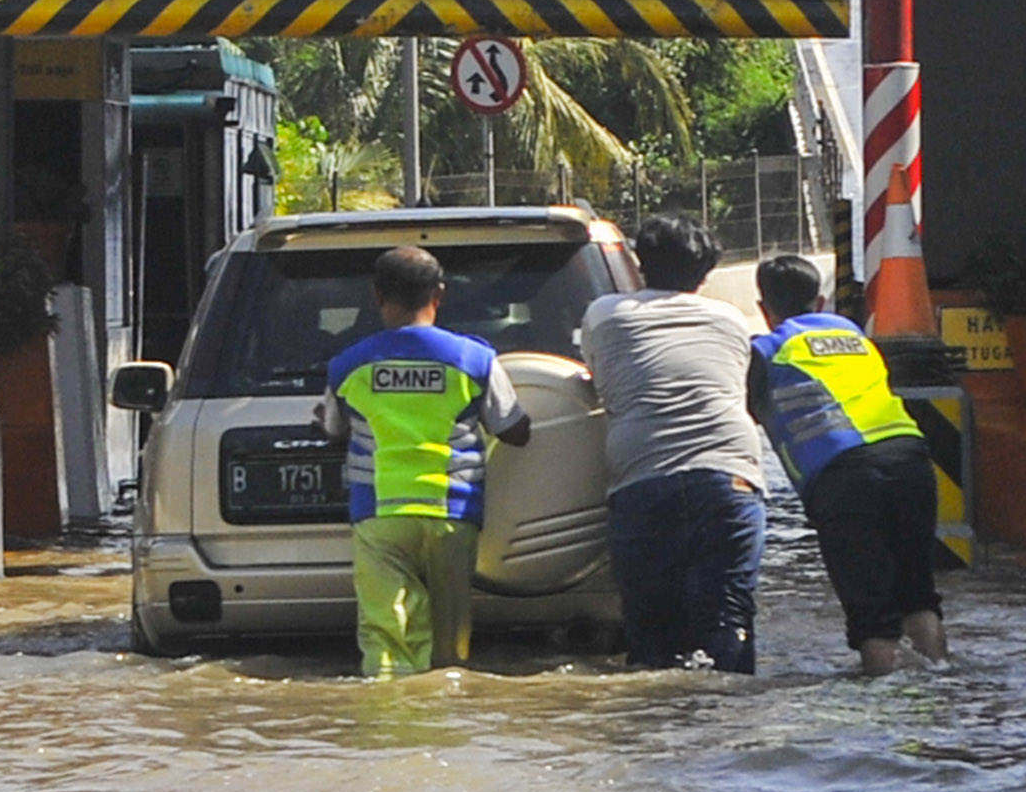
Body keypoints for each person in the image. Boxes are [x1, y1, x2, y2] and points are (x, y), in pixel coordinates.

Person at [315, 244, 531, 680]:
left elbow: (333, 429)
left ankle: (389, 705)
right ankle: (445, 705)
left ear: (377, 296)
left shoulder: (349, 364)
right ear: (439, 294)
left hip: (381, 515)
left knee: (387, 631)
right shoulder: (473, 360)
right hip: (452, 513)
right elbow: (516, 430)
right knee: (450, 637)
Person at [577, 215, 772, 673]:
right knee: (728, 619)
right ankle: (736, 711)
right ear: (706, 271)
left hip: (643, 480)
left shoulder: (605, 314)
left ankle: (663, 712)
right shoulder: (729, 319)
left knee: (651, 633)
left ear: (639, 263)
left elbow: (595, 378)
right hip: (731, 479)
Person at [748, 254, 954, 673]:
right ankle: (943, 680)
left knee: (871, 611)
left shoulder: (765, 351)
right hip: (911, 458)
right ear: (821, 301)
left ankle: (884, 700)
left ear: (763, 308)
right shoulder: (855, 335)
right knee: (918, 594)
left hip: (843, 475)